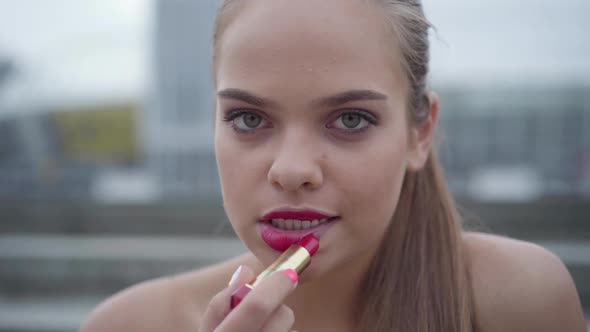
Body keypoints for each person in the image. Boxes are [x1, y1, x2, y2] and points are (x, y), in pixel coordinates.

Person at [81, 0, 587, 331]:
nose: (293, 169)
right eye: (248, 118)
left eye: (350, 119)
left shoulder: (517, 300)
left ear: (421, 133)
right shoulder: (130, 324)